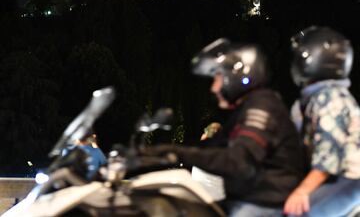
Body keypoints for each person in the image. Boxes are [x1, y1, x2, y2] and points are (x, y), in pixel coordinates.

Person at [143, 38, 304, 216]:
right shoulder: (246, 108)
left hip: (266, 203)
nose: (214, 88)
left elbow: (239, 162)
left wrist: (177, 153)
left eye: (217, 77)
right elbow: (211, 146)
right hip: (247, 198)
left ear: (236, 76)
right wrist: (156, 151)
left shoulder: (262, 106)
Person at [283, 26, 360, 216]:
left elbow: (329, 157)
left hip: (351, 179)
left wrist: (302, 191)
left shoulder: (330, 97)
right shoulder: (316, 97)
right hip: (337, 178)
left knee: (295, 214)